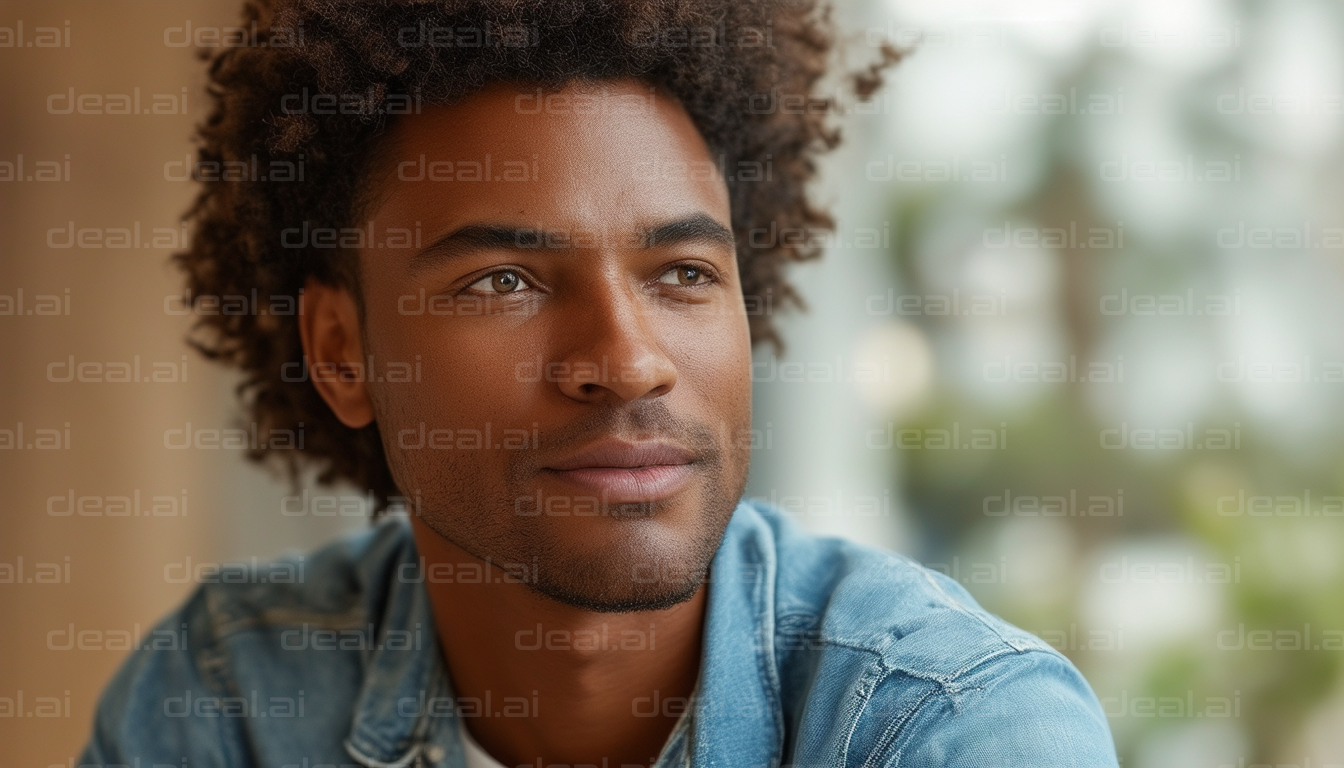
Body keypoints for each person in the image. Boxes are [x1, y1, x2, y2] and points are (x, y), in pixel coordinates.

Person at [79, 1, 1118, 766]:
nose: (627, 361)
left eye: (682, 274)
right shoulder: (226, 699)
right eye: (505, 279)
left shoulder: (949, 726)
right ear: (343, 352)